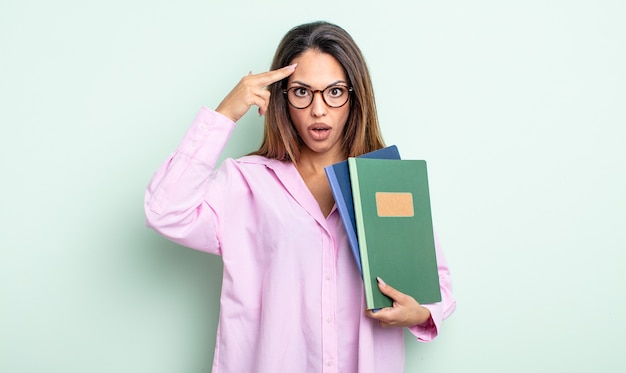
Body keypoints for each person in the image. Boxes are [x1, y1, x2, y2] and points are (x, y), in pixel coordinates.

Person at [144, 21, 455, 373]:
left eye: (334, 91)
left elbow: (437, 282)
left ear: (355, 97)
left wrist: (421, 313)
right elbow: (164, 211)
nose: (318, 109)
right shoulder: (245, 181)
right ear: (282, 96)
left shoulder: (386, 182)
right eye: (302, 92)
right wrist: (224, 114)